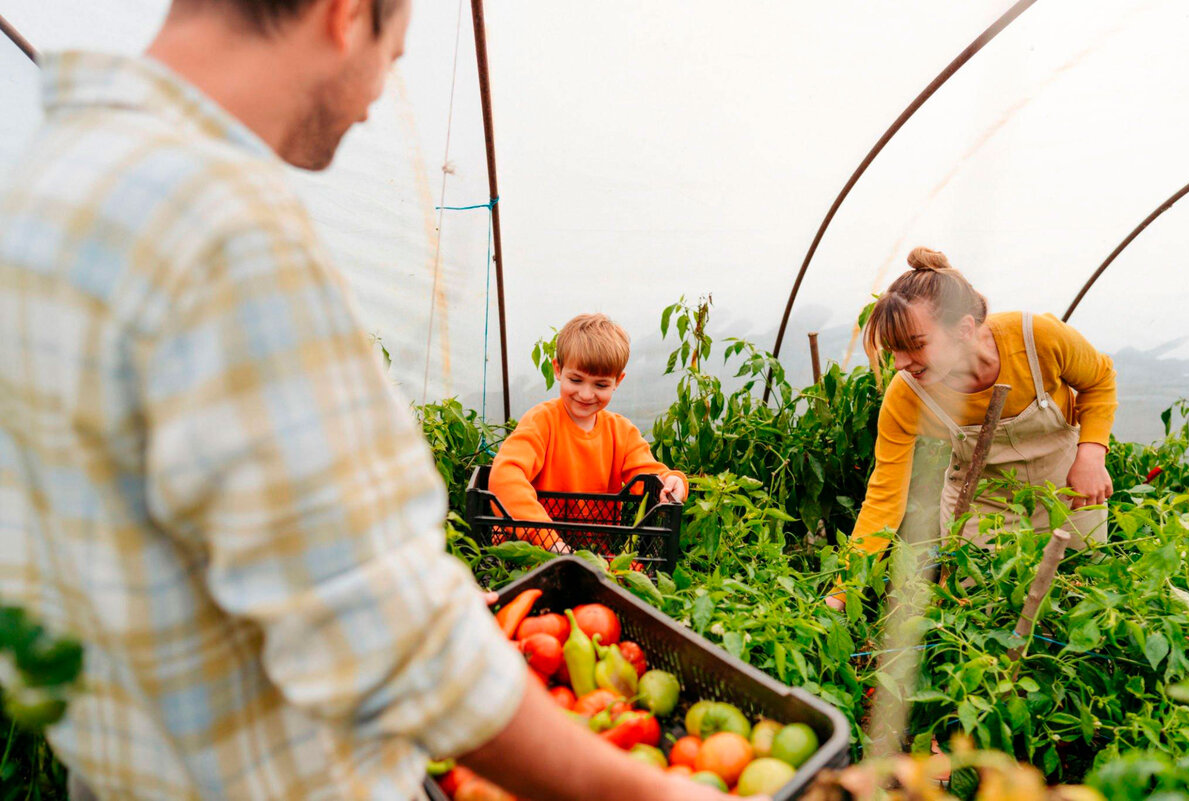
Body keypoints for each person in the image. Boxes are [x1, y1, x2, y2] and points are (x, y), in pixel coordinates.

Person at [0, 1, 755, 799]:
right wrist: (639, 790)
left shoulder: (45, 185)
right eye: (392, 54)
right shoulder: (224, 232)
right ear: (346, 12)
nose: (374, 99)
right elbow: (385, 631)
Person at [827, 247, 1116, 609]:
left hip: (1066, 491)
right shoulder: (907, 395)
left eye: (915, 346)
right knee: (982, 609)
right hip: (981, 508)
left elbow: (1099, 379)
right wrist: (839, 595)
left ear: (964, 329)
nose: (900, 363)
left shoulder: (1035, 337)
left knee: (1084, 596)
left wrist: (1091, 453)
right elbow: (884, 499)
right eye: (893, 350)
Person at [488, 314, 688, 551]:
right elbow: (505, 475)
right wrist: (547, 539)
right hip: (531, 550)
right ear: (558, 370)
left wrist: (673, 482)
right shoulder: (541, 422)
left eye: (600, 385)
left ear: (618, 381)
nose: (585, 394)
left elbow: (648, 475)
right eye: (576, 380)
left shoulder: (621, 432)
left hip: (593, 553)